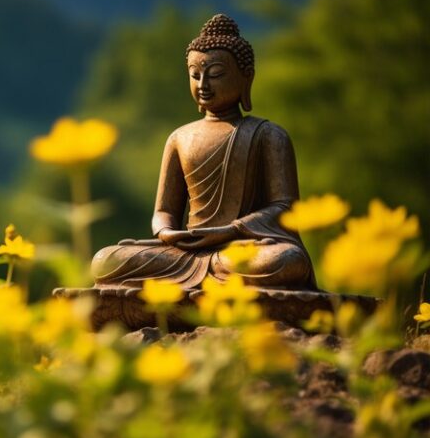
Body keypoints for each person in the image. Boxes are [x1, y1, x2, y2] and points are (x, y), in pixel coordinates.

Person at [91, 14, 315, 290]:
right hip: (185, 254)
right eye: (195, 75)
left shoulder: (269, 135)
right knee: (106, 260)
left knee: (287, 260)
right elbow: (163, 210)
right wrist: (167, 233)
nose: (203, 85)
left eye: (217, 74)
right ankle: (208, 282)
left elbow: (285, 208)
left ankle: (199, 286)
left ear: (246, 78)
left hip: (241, 249)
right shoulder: (180, 137)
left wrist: (232, 230)